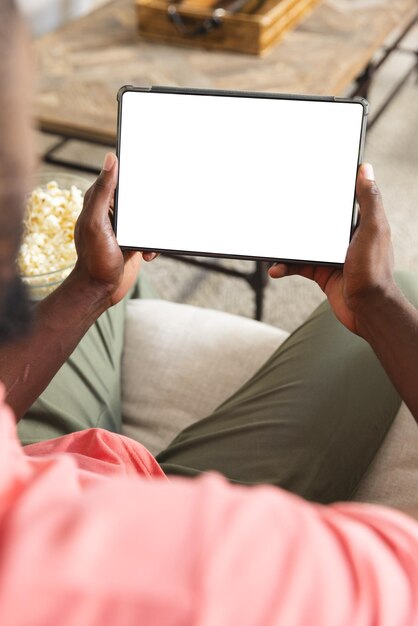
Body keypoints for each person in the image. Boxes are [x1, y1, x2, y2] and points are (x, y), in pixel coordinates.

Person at [1, 1, 418, 623]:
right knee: (407, 281)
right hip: (144, 516)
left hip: (46, 455)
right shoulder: (226, 567)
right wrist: (378, 304)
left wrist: (92, 287)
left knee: (105, 274)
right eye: (17, 179)